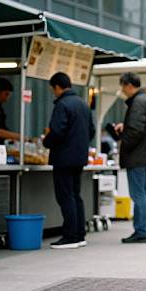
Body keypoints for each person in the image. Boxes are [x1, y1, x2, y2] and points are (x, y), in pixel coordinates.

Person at [43, 72, 95, 249]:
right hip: (79, 157)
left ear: (57, 87)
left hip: (63, 158)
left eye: (53, 89)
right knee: (75, 195)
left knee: (65, 196)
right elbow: (92, 131)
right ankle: (80, 235)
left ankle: (70, 236)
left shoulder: (62, 104)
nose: (53, 93)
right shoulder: (83, 104)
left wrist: (45, 141)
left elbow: (56, 132)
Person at [115, 72, 146, 243]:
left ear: (128, 85)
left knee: (139, 194)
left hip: (137, 156)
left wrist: (123, 143)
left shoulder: (138, 102)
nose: (122, 91)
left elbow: (135, 131)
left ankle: (141, 231)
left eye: (122, 87)